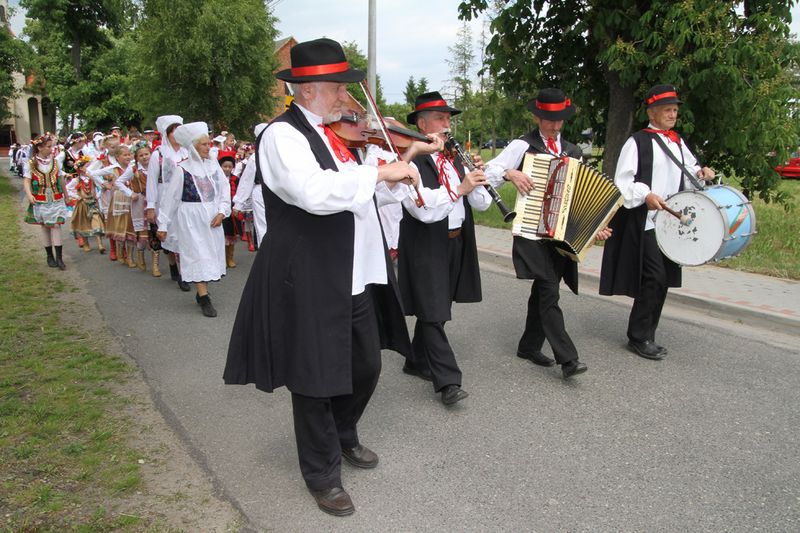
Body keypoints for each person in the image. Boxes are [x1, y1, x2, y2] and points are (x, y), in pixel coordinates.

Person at [223, 38, 431, 517]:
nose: (347, 100)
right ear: (311, 88)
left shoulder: (335, 133)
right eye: (340, 89)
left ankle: (343, 434)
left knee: (365, 366)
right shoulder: (282, 136)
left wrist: (388, 175)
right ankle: (321, 474)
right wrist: (379, 175)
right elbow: (314, 192)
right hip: (310, 272)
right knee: (315, 377)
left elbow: (353, 187)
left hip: (355, 271)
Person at [483, 88, 609, 379]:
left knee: (543, 290)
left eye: (559, 120)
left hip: (561, 235)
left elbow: (582, 196)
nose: (554, 126)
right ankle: (568, 359)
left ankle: (528, 346)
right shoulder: (521, 146)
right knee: (550, 292)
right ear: (537, 117)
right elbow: (488, 171)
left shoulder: (574, 152)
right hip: (531, 230)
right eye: (548, 119)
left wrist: (594, 228)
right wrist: (509, 174)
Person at [600, 84, 714, 360]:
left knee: (662, 280)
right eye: (667, 110)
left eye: (675, 110)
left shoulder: (677, 141)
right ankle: (638, 336)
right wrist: (646, 194)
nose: (673, 114)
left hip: (672, 223)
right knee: (654, 277)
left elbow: (690, 176)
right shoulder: (637, 142)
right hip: (647, 220)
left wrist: (702, 172)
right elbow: (623, 182)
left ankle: (647, 333)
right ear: (652, 113)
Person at [398, 91, 492, 405]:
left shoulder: (454, 158)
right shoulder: (410, 160)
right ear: (423, 124)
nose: (447, 124)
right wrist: (459, 188)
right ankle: (448, 381)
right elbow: (422, 209)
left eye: (448, 118)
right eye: (441, 118)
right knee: (434, 308)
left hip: (455, 241)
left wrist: (478, 178)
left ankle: (415, 359)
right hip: (425, 243)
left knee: (436, 307)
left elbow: (481, 203)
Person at [157, 122, 230, 318]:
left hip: (212, 218)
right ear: (194, 147)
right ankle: (204, 297)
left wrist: (222, 212)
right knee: (198, 254)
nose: (209, 147)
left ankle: (202, 292)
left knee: (210, 254)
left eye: (209, 143)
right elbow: (170, 199)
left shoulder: (213, 168)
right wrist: (163, 224)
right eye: (204, 144)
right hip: (191, 220)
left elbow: (224, 191)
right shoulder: (182, 170)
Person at [146, 115, 190, 290]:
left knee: (184, 234)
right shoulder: (158, 154)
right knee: (170, 234)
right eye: (174, 131)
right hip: (165, 197)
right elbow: (151, 182)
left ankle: (184, 272)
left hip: (184, 197)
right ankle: (173, 264)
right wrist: (151, 206)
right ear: (167, 133)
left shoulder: (186, 152)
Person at [23, 134, 70, 270]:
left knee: (56, 226)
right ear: (40, 147)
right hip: (41, 199)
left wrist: (66, 195)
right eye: (49, 146)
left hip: (56, 198)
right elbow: (26, 180)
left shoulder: (55, 162)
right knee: (45, 227)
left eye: (52, 146)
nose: (52, 149)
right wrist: (29, 195)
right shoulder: (31, 163)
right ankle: (49, 256)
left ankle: (59, 258)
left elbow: (61, 179)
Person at [117, 140, 158, 274]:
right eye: (141, 155)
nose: (145, 157)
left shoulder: (156, 166)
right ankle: (140, 254)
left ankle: (155, 265)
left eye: (147, 154)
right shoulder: (133, 170)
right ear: (136, 158)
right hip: (140, 202)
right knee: (142, 232)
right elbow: (119, 182)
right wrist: (130, 193)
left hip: (154, 202)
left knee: (154, 232)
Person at [68, 155, 106, 253]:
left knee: (96, 219)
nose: (88, 169)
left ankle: (100, 244)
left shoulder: (91, 178)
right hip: (83, 204)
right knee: (83, 222)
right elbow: (68, 189)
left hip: (93, 202)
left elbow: (101, 186)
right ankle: (86, 243)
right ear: (80, 168)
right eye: (86, 166)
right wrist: (77, 197)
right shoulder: (77, 180)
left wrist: (97, 195)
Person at [217, 149, 239, 268]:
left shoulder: (235, 179)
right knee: (220, 235)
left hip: (232, 210)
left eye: (229, 167)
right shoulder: (215, 178)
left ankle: (229, 257)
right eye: (224, 166)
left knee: (231, 234)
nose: (227, 169)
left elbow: (240, 193)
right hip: (219, 210)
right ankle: (220, 259)